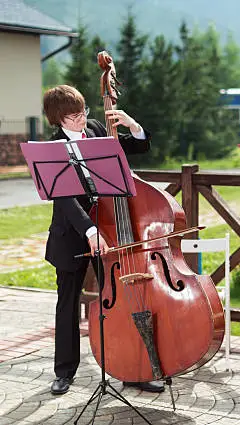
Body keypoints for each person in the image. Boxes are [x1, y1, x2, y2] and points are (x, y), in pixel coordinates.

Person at [42, 85, 163, 395]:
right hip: (73, 233)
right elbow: (65, 198)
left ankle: (131, 369)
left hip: (110, 227)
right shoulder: (52, 147)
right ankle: (65, 372)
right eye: (74, 116)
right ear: (58, 119)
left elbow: (133, 148)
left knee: (123, 298)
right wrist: (89, 230)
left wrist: (134, 127)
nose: (82, 119)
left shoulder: (95, 127)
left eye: (84, 112)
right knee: (67, 304)